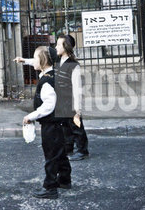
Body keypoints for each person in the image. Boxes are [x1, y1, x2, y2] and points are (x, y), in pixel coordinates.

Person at [20, 46, 71, 199]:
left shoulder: (46, 81)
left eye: (35, 58)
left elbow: (49, 105)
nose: (33, 60)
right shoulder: (52, 74)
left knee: (51, 156)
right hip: (58, 124)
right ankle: (64, 180)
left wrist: (31, 116)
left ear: (42, 61)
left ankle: (50, 188)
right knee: (60, 153)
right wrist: (25, 61)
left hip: (51, 125)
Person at [55, 35, 89, 161]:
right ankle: (68, 149)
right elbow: (40, 59)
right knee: (65, 127)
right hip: (61, 101)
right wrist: (24, 60)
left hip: (71, 102)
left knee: (77, 127)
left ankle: (82, 150)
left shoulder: (74, 65)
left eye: (59, 44)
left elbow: (77, 88)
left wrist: (77, 109)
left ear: (66, 46)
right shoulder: (58, 61)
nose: (56, 47)